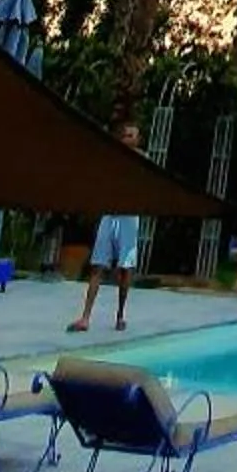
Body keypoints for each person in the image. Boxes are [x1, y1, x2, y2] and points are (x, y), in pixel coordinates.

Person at [71, 129, 146, 333]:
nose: (127, 139)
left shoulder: (142, 161)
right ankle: (85, 317)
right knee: (98, 266)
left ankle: (120, 315)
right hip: (110, 215)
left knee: (125, 268)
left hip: (129, 218)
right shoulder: (111, 158)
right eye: (125, 135)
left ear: (138, 140)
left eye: (132, 135)